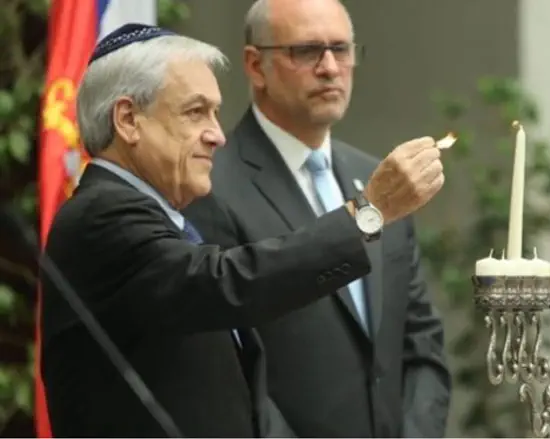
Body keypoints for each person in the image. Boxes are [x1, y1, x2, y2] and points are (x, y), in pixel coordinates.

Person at [40, 23, 445, 438]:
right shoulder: (102, 214)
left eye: (215, 113)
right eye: (196, 112)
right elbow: (229, 283)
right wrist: (367, 213)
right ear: (128, 120)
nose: (216, 135)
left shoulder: (157, 218)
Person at [182, 0, 451, 437]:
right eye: (306, 51)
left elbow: (419, 340)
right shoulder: (210, 185)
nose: (329, 67)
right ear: (256, 66)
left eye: (341, 49)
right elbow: (226, 372)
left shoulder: (383, 180)